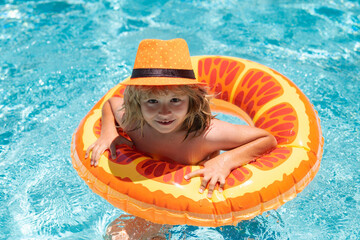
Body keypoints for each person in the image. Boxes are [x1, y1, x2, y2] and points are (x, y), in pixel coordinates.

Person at [85, 38, 277, 239]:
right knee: (116, 234)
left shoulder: (205, 134)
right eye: (152, 101)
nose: (164, 112)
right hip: (157, 197)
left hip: (203, 205)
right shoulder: (134, 123)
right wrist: (109, 133)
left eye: (175, 100)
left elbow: (266, 139)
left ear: (192, 100)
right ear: (137, 102)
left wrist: (224, 162)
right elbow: (111, 103)